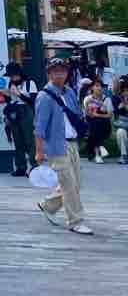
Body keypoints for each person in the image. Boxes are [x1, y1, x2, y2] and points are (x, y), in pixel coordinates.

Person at [35, 56, 93, 235]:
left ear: (67, 73)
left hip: (72, 143)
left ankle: (48, 205)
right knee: (69, 185)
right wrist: (39, 151)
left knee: (76, 184)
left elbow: (76, 115)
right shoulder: (44, 96)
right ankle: (76, 221)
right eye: (55, 71)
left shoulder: (70, 93)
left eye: (62, 71)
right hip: (56, 147)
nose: (59, 74)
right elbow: (39, 127)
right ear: (49, 74)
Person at [3, 61, 39, 176]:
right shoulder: (10, 84)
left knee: (30, 140)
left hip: (26, 111)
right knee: (17, 140)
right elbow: (9, 101)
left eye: (13, 75)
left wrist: (19, 94)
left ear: (19, 74)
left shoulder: (30, 83)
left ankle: (34, 166)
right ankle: (21, 166)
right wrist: (6, 96)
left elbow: (33, 101)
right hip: (14, 113)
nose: (12, 78)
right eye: (10, 76)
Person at [82, 78, 113, 163]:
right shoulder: (87, 98)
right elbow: (86, 114)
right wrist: (88, 105)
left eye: (101, 86)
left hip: (105, 126)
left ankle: (95, 152)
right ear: (92, 87)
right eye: (97, 86)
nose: (99, 88)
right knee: (95, 124)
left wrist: (98, 114)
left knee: (97, 123)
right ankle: (98, 151)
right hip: (91, 125)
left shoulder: (107, 99)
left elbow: (110, 115)